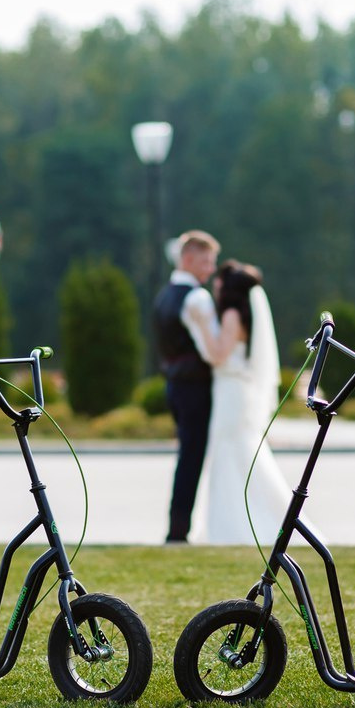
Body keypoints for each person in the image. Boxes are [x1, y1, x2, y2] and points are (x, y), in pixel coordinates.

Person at [188, 261, 316, 545]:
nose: (216, 286)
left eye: (220, 282)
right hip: (235, 391)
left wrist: (200, 327)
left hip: (231, 392)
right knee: (239, 456)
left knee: (228, 454)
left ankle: (230, 525)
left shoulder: (232, 314)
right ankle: (246, 519)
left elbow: (219, 354)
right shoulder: (244, 315)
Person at [153, 230, 220, 544]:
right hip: (195, 387)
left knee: (186, 457)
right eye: (206, 261)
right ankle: (178, 531)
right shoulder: (196, 297)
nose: (210, 268)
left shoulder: (164, 295)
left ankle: (177, 527)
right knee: (191, 459)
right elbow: (211, 352)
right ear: (188, 258)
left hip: (174, 384)